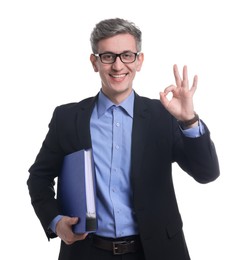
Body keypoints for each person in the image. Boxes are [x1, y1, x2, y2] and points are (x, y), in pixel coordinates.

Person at [27, 18, 220, 260]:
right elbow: (39, 178)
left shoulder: (164, 115)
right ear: (94, 62)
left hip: (156, 252)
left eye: (127, 55)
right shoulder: (67, 118)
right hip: (87, 252)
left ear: (139, 61)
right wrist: (56, 223)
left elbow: (207, 173)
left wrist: (189, 120)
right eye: (108, 56)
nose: (118, 66)